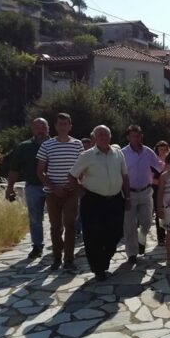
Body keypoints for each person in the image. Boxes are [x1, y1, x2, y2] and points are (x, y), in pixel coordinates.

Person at [68, 125, 130, 281]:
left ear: (110, 136)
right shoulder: (87, 155)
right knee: (93, 236)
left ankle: (104, 260)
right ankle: (98, 268)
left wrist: (127, 197)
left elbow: (124, 176)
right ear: (94, 138)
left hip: (115, 200)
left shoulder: (118, 153)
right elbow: (72, 176)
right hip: (93, 201)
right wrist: (82, 192)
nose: (104, 137)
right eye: (100, 135)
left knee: (116, 233)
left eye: (106, 134)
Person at [36, 112, 83, 271]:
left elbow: (81, 168)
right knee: (55, 227)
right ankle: (57, 257)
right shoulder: (47, 145)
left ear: (70, 126)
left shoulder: (77, 144)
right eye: (60, 124)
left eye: (65, 124)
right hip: (52, 193)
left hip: (71, 191)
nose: (63, 127)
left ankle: (68, 259)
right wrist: (54, 188)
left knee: (70, 225)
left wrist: (77, 184)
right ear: (55, 126)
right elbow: (40, 171)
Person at [5, 118, 50, 259]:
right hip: (33, 186)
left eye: (43, 127)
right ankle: (37, 246)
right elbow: (14, 169)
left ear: (48, 128)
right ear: (32, 129)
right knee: (35, 218)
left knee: (58, 217)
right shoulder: (24, 147)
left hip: (53, 186)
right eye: (37, 127)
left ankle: (58, 243)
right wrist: (10, 187)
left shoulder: (55, 144)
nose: (41, 130)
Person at [121, 125, 161, 264]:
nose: (136, 138)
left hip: (146, 191)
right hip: (129, 193)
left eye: (138, 135)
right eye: (133, 136)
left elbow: (159, 166)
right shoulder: (123, 153)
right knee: (129, 225)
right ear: (128, 137)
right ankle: (132, 253)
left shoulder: (148, 152)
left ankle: (141, 237)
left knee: (147, 222)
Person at [76, 136, 95, 238]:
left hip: (91, 187)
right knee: (80, 210)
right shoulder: (79, 158)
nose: (85, 149)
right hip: (80, 187)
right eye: (84, 147)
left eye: (87, 147)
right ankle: (78, 229)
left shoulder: (93, 156)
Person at [152, 140, 170, 245]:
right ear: (157, 150)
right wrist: (162, 182)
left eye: (165, 149)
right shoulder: (154, 163)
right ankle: (161, 237)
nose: (163, 151)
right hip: (158, 191)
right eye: (161, 149)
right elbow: (151, 178)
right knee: (160, 212)